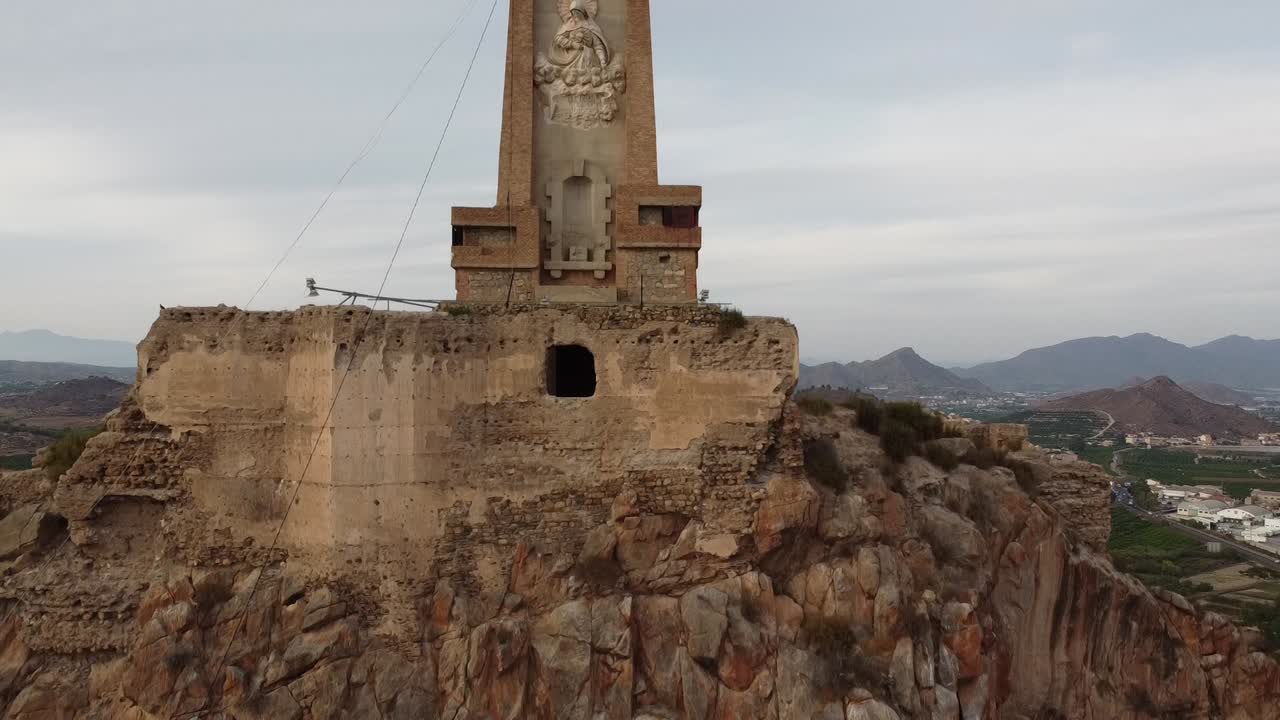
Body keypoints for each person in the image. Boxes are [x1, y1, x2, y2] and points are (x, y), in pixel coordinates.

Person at [549, 0, 610, 75]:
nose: (575, 14)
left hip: (588, 58)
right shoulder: (570, 24)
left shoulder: (591, 26)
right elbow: (558, 38)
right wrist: (572, 44)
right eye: (573, 12)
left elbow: (597, 45)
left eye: (577, 12)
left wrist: (602, 59)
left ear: (583, 11)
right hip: (571, 58)